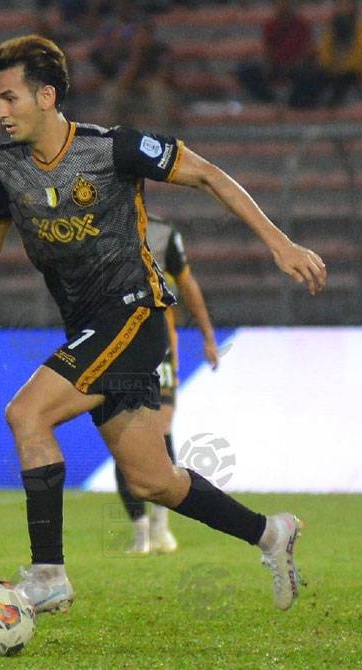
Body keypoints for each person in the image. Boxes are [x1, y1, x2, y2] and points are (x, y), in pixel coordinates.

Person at [0, 34, 326, 614]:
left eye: (9, 98)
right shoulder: (7, 167)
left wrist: (279, 244)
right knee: (153, 479)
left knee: (26, 414)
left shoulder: (113, 149)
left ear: (47, 95)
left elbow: (208, 175)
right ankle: (270, 532)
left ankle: (48, 573)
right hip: (90, 328)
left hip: (135, 312)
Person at [117, 214, 219, 555]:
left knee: (160, 427)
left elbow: (187, 284)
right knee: (122, 432)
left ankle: (161, 523)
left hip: (159, 345)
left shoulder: (163, 233)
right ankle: (141, 531)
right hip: (114, 346)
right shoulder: (98, 226)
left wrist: (207, 335)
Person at [236, 0, 323, 109]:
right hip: (276, 66)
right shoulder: (270, 25)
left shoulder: (302, 25)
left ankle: (295, 104)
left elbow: (307, 50)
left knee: (313, 74)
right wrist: (269, 66)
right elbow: (268, 50)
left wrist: (293, 65)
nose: (283, 6)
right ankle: (269, 100)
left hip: (296, 67)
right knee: (245, 71)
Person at [317, 0, 362, 107]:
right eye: (340, 4)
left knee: (344, 78)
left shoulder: (361, 24)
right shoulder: (332, 24)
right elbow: (325, 48)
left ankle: (333, 105)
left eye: (346, 4)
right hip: (334, 67)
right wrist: (329, 64)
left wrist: (343, 66)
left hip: (355, 69)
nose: (343, 8)